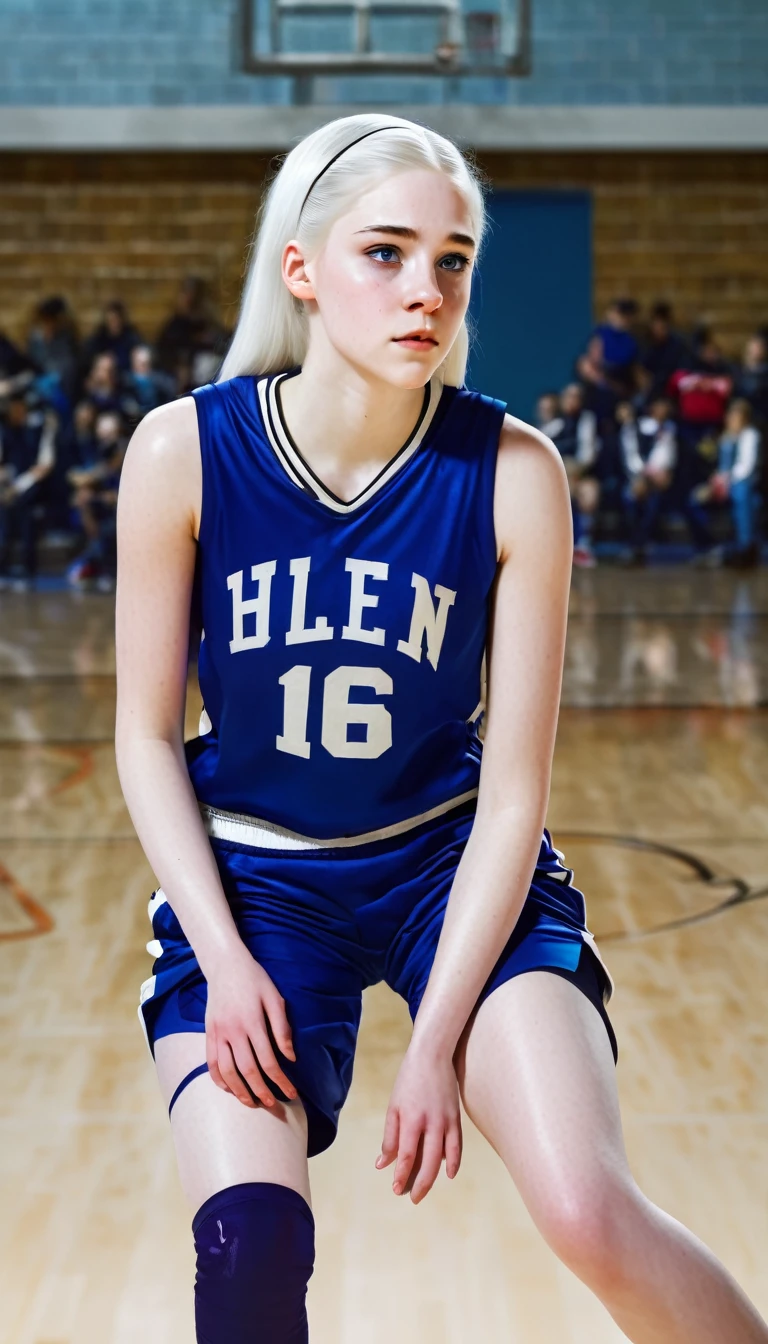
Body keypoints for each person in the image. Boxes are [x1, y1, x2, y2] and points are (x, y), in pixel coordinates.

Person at [115, 114, 768, 1343]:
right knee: (248, 1248)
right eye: (387, 253)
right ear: (302, 268)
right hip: (254, 879)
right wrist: (230, 957)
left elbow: (516, 792)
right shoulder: (185, 451)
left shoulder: (512, 468)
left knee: (587, 1210)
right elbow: (145, 740)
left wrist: (439, 1043)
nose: (427, 290)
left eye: (453, 259)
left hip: (447, 863)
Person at [688, 398, 761, 569]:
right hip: (723, 483)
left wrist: (724, 481)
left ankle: (745, 548)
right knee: (694, 499)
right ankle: (708, 546)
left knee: (742, 493)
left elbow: (745, 468)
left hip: (742, 483)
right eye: (730, 416)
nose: (732, 420)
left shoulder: (750, 436)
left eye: (737, 417)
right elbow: (717, 465)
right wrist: (715, 482)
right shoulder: (724, 438)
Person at [537, 383, 601, 567]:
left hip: (580, 473)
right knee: (562, 489)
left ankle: (582, 545)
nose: (572, 401)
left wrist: (575, 469)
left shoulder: (587, 419)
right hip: (556, 475)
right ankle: (555, 544)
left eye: (576, 397)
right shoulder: (555, 423)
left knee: (589, 494)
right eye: (569, 396)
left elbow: (588, 454)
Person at [0, 392, 58, 589]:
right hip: (7, 488)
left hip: (31, 489)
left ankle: (28, 567)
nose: (18, 412)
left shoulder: (37, 430)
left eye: (21, 408)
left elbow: (44, 466)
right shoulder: (5, 432)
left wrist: (18, 487)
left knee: (27, 513)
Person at [617, 396, 677, 566]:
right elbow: (631, 457)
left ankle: (642, 545)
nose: (663, 409)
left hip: (657, 480)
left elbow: (666, 456)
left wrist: (656, 476)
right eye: (659, 405)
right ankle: (633, 546)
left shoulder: (669, 429)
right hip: (635, 478)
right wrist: (643, 476)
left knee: (655, 501)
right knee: (630, 498)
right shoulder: (634, 427)